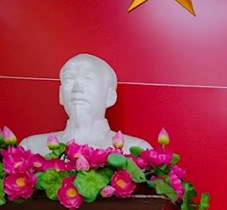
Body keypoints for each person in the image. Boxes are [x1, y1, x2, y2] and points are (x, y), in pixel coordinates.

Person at [20, 53, 150, 153]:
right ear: (60, 95)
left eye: (88, 80)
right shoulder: (31, 147)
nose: (77, 88)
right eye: (69, 80)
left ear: (110, 96)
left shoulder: (136, 150)